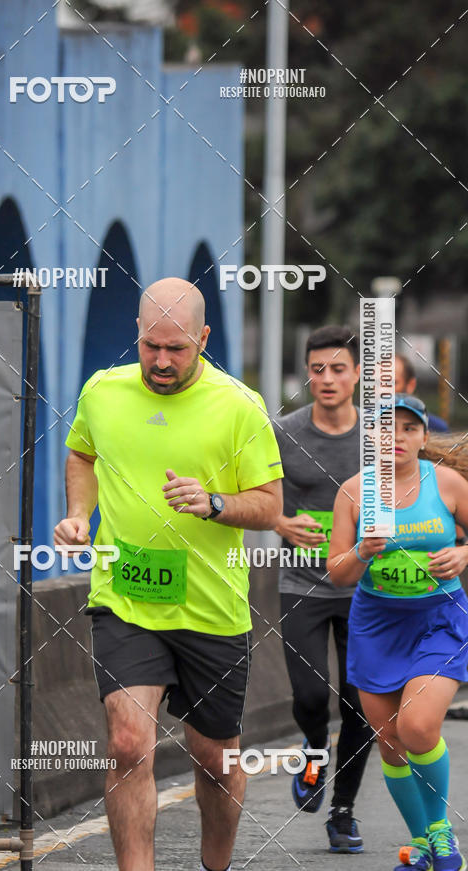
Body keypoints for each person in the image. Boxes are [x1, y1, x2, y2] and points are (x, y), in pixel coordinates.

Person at [54, 277, 284, 871]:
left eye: (176, 348)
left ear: (203, 338)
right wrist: (79, 515)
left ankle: (215, 865)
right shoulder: (103, 391)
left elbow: (269, 506)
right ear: (137, 332)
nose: (161, 361)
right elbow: (82, 454)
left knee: (216, 761)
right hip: (125, 598)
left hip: (211, 609)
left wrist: (214, 502)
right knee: (128, 744)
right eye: (151, 345)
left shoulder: (239, 405)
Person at [327, 393, 468, 871]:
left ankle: (441, 830)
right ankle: (422, 842)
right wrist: (362, 552)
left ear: (423, 437)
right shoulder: (352, 492)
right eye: (387, 427)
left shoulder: (446, 483)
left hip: (438, 619)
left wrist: (464, 553)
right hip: (376, 625)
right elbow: (338, 573)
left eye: (409, 428)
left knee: (418, 727)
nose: (397, 437)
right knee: (389, 741)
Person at [273, 325, 373, 853]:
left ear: (356, 375)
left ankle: (343, 811)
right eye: (317, 370)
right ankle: (315, 749)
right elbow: (252, 490)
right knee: (311, 696)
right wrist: (281, 523)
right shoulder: (283, 433)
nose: (327, 378)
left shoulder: (377, 438)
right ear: (307, 375)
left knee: (360, 702)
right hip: (303, 585)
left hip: (367, 591)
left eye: (338, 369)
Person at [395, 354, 449, 432]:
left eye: (391, 383)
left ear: (410, 385)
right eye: (377, 383)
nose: (382, 390)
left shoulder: (435, 428)